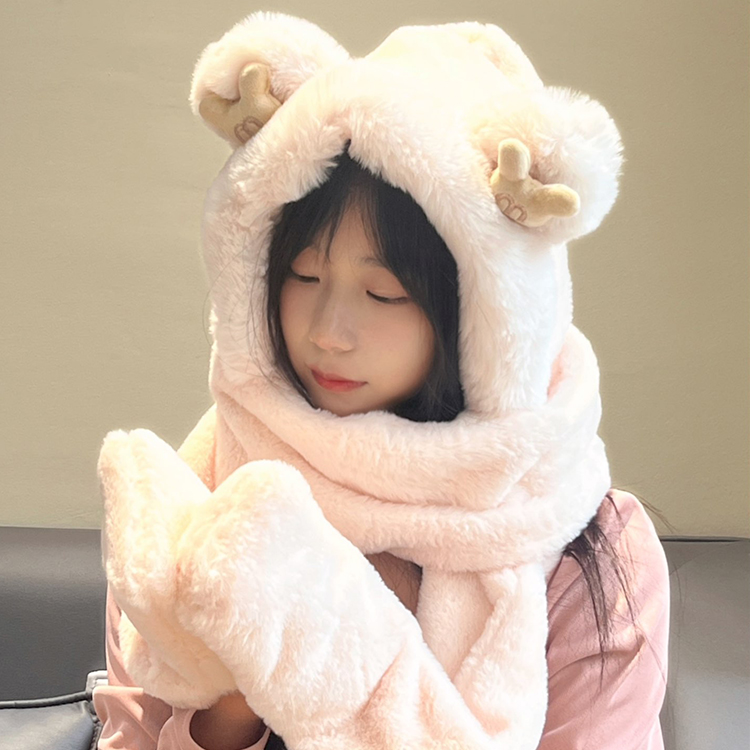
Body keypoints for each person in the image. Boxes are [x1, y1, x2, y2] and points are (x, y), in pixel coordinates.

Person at [92, 11, 670, 750]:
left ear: (481, 310)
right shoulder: (198, 503)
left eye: (385, 293)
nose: (328, 331)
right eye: (304, 276)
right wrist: (231, 707)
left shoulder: (589, 549)